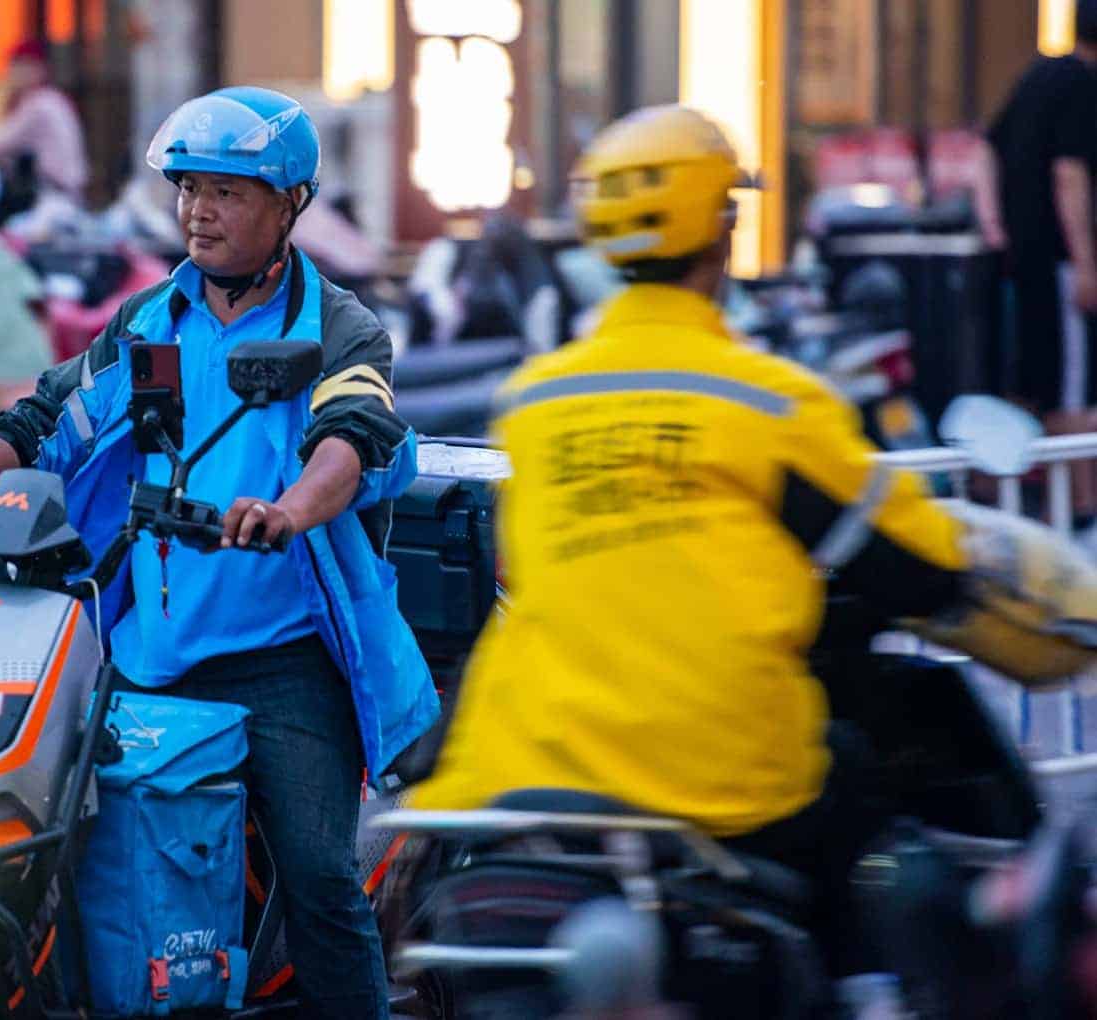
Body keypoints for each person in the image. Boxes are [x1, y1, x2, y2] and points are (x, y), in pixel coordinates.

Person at [0, 86, 437, 1019]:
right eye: (189, 189)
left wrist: (289, 511)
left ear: (289, 204)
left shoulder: (336, 327)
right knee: (51, 845)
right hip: (147, 655)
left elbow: (353, 437)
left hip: (284, 662)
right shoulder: (148, 322)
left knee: (319, 878)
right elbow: (45, 418)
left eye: (226, 191)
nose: (198, 211)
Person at [408, 105, 978, 979]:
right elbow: (922, 568)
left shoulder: (532, 403)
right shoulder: (770, 401)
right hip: (717, 773)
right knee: (854, 784)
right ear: (724, 227)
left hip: (520, 766)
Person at [986, 0, 1097, 419]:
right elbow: (1069, 173)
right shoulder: (1081, 83)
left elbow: (986, 147)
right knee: (1069, 395)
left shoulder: (1039, 73)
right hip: (1059, 262)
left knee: (1034, 387)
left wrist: (994, 223)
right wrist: (1084, 265)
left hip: (1025, 258)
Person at [0, 40, 89, 202]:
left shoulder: (41, 104)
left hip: (56, 197)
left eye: (20, 66)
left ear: (39, 69)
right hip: (57, 194)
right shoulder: (49, 98)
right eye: (13, 66)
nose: (12, 73)